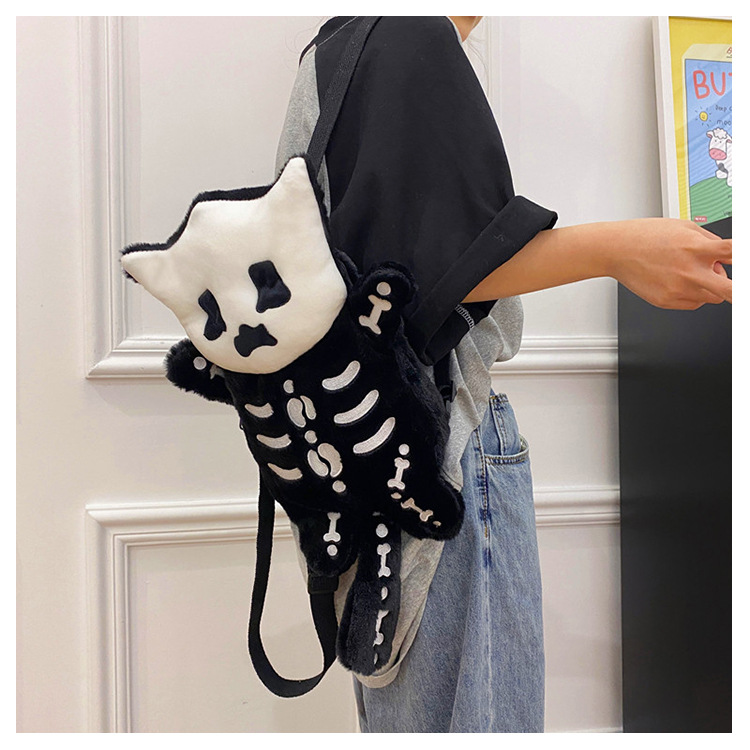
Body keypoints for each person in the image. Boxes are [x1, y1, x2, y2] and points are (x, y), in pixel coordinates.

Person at [274, 16, 732, 733]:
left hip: (368, 460)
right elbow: (435, 271)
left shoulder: (340, 47)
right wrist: (620, 248)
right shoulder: (408, 38)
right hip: (443, 454)